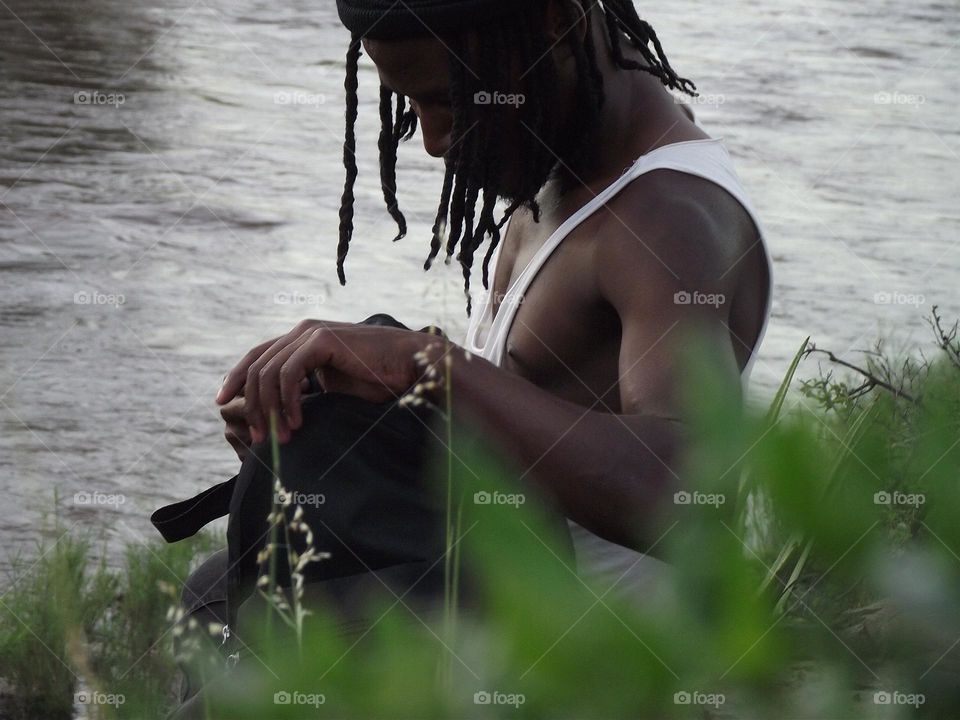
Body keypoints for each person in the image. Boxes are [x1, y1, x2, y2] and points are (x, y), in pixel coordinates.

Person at [170, 0, 772, 710]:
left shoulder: (666, 220)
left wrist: (426, 367)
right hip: (505, 617)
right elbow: (534, 411)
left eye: (446, 100)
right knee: (216, 593)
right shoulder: (561, 153)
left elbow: (685, 491)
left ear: (552, 22)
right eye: (410, 106)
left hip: (587, 668)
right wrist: (340, 422)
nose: (430, 140)